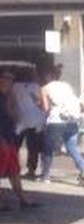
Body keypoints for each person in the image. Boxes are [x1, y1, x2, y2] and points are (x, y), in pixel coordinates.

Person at [40, 65, 84, 186]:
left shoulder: (45, 88)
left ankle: (46, 175)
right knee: (72, 147)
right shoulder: (66, 86)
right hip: (72, 120)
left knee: (48, 148)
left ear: (48, 76)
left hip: (56, 120)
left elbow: (46, 109)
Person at [0, 68, 37, 211]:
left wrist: (12, 100)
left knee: (14, 171)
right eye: (6, 78)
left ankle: (23, 200)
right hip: (2, 138)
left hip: (9, 137)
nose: (9, 82)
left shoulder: (7, 97)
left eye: (11, 79)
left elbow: (13, 116)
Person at [13, 67, 47, 179]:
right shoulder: (36, 86)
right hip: (36, 119)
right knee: (33, 147)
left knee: (15, 145)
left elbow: (12, 101)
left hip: (20, 119)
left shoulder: (15, 87)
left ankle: (12, 168)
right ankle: (31, 170)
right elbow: (40, 103)